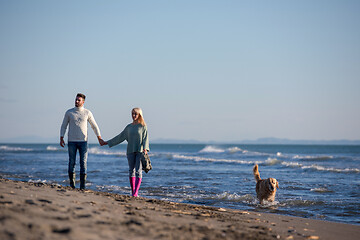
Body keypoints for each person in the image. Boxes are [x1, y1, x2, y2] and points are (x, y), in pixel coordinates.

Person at [60, 93, 105, 190]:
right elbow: (64, 125)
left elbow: (94, 125)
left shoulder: (87, 112)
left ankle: (82, 187)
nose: (76, 101)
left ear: (83, 102)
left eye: (78, 100)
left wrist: (99, 137)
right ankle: (72, 185)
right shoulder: (69, 112)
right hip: (71, 141)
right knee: (71, 162)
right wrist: (61, 137)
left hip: (83, 142)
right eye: (76, 99)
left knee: (83, 163)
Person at [102, 108, 149, 197]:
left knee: (138, 171)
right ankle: (133, 192)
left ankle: (136, 193)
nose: (133, 115)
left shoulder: (143, 126)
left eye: (135, 114)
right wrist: (108, 142)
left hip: (140, 151)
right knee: (131, 171)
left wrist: (145, 149)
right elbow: (120, 137)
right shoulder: (129, 127)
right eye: (132, 113)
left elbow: (145, 139)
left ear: (139, 115)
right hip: (130, 151)